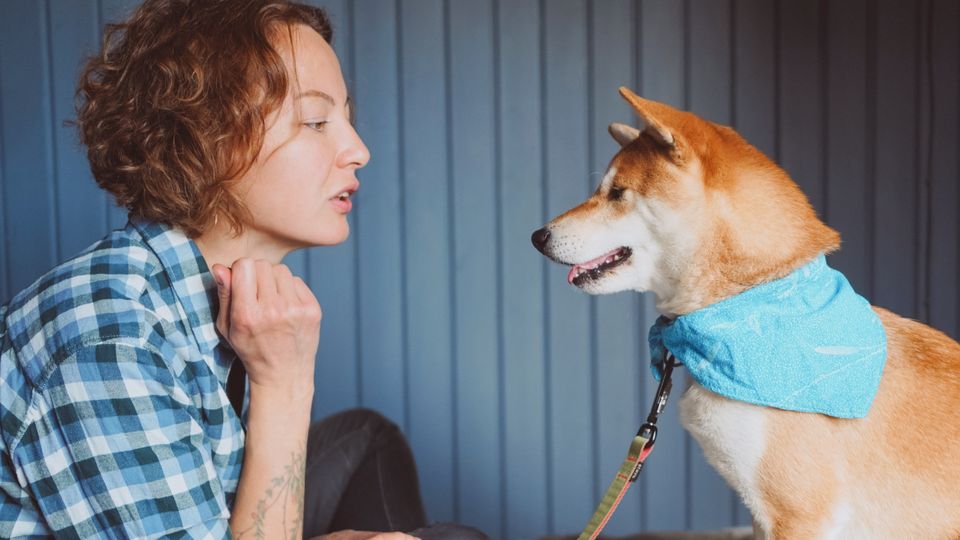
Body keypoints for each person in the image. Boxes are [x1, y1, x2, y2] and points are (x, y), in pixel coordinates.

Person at [0, 1, 486, 538]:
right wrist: (286, 380)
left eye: (347, 117)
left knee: (366, 438)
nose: (359, 150)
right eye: (317, 121)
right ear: (208, 138)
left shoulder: (214, 290)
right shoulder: (107, 344)